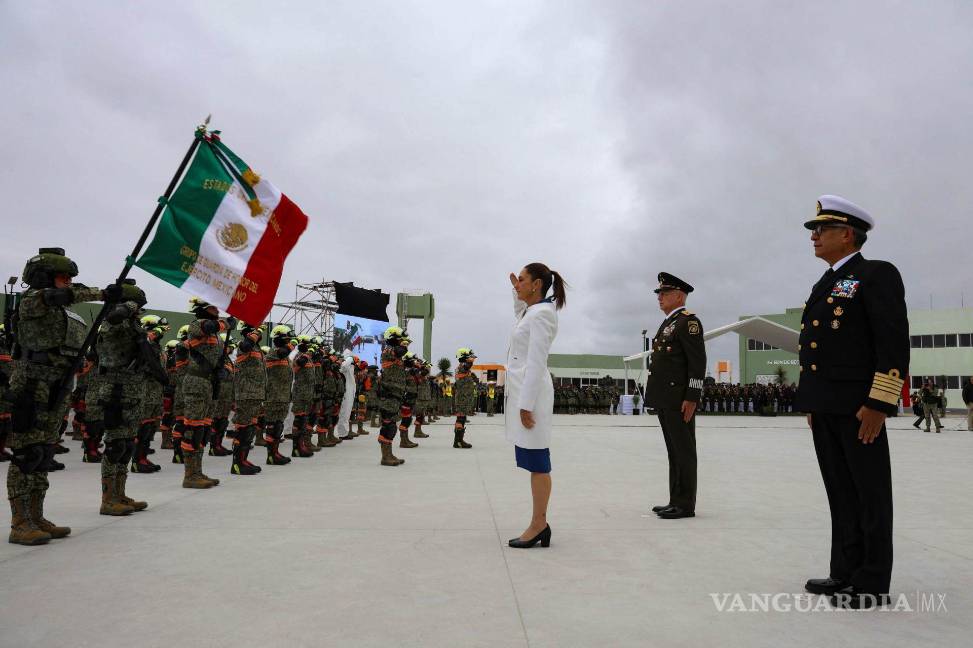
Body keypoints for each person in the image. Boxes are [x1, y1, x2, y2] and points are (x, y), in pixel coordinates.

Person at [795, 195, 909, 610]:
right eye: (814, 230)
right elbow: (818, 348)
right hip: (826, 405)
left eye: (821, 230)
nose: (814, 236)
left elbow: (892, 343)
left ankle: (872, 581)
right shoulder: (825, 282)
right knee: (840, 492)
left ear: (847, 234)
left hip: (860, 408)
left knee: (870, 493)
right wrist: (812, 402)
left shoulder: (876, 274)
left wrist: (880, 403)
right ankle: (843, 570)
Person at [6, 248, 114, 545]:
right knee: (27, 454)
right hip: (33, 384)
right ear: (44, 277)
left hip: (59, 385)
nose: (67, 282)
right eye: (62, 277)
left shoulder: (65, 311)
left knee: (43, 453)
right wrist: (102, 293)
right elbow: (63, 295)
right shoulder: (34, 301)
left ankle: (37, 515)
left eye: (69, 277)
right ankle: (20, 522)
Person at [504, 263, 565, 549]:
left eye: (523, 280)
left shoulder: (542, 315)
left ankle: (539, 524)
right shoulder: (532, 312)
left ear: (537, 284)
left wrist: (526, 405)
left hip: (532, 396)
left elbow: (537, 361)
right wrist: (515, 290)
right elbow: (520, 315)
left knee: (538, 461)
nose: (519, 283)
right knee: (532, 460)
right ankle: (539, 522)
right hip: (524, 395)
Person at [644, 272, 706, 520]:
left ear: (679, 296)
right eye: (659, 293)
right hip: (666, 398)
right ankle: (675, 500)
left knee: (684, 450)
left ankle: (685, 504)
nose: (659, 297)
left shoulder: (688, 322)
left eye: (665, 293)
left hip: (679, 399)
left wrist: (692, 397)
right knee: (674, 451)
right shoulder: (670, 322)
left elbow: (697, 363)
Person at [453, 348, 478, 448]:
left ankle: (458, 441)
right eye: (469, 357)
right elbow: (467, 365)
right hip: (462, 398)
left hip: (464, 398)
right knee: (461, 418)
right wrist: (469, 359)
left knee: (461, 418)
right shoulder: (462, 367)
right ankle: (458, 442)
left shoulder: (462, 368)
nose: (471, 360)